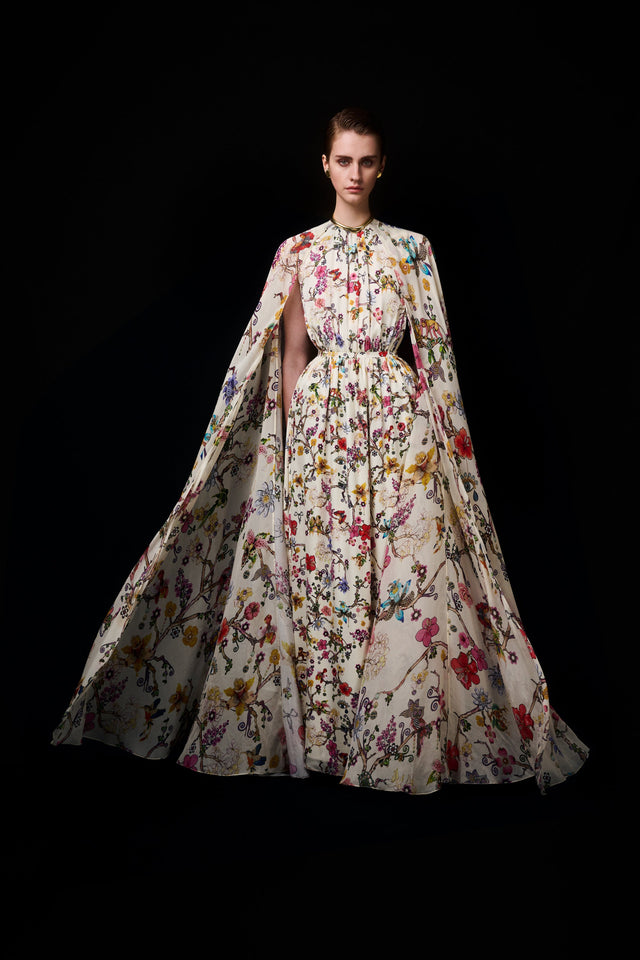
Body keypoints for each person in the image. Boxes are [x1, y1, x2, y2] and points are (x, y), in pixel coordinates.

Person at [52, 107, 588, 795]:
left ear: (382, 166)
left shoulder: (413, 249)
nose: (355, 173)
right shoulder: (299, 251)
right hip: (320, 433)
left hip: (399, 430)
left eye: (367, 161)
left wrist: (441, 445)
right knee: (324, 578)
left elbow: (436, 357)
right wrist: (297, 437)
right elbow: (292, 354)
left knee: (401, 576)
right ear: (326, 165)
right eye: (344, 160)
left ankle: (393, 746)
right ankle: (329, 744)